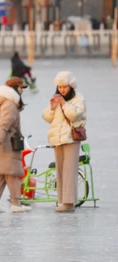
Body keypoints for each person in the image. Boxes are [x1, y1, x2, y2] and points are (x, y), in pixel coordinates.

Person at [42, 71, 87, 213]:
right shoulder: (57, 99)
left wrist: (63, 104)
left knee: (70, 170)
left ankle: (69, 203)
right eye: (60, 87)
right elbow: (48, 118)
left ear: (71, 86)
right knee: (61, 171)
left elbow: (74, 115)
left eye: (65, 87)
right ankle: (62, 200)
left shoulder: (78, 98)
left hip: (71, 138)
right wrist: (52, 107)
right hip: (57, 139)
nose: (62, 90)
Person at [0, 77, 30, 213]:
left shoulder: (3, 103)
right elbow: (4, 124)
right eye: (21, 88)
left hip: (0, 144)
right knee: (12, 174)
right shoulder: (10, 104)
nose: (22, 91)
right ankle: (15, 204)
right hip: (7, 145)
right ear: (15, 88)